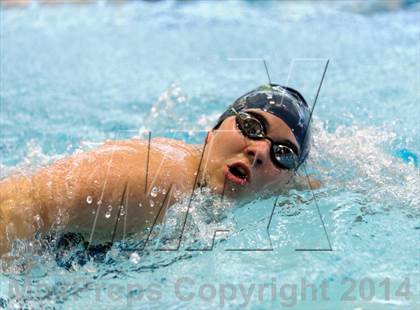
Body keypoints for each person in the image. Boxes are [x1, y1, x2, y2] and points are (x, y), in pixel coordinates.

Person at [0, 84, 316, 256]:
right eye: (251, 126)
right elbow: (17, 201)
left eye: (283, 153)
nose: (260, 151)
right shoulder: (153, 181)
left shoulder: (262, 185)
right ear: (213, 132)